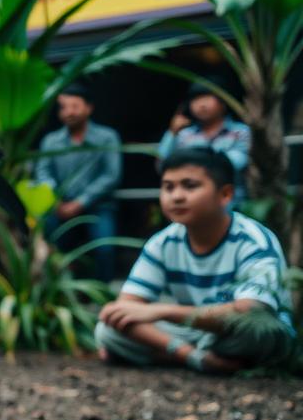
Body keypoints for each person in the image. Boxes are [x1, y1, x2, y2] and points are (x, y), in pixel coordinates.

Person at [95, 148, 294, 374]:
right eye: (168, 187)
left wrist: (162, 311)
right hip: (196, 333)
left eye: (190, 186)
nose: (176, 196)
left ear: (225, 194)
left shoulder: (253, 240)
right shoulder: (163, 242)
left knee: (259, 332)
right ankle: (202, 360)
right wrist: (190, 354)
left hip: (240, 332)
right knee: (109, 328)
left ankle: (166, 355)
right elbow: (125, 307)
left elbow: (250, 313)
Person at [35, 84, 123, 282]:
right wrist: (55, 199)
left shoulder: (107, 137)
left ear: (88, 108)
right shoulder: (51, 141)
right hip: (59, 206)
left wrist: (81, 202)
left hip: (98, 206)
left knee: (104, 249)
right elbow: (43, 172)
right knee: (51, 248)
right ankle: (60, 295)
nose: (68, 112)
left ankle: (103, 294)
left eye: (74, 106)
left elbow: (111, 175)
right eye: (63, 107)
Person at [157, 80, 251, 199]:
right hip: (191, 202)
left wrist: (190, 165)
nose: (201, 104)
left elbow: (234, 163)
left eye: (207, 98)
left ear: (223, 102)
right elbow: (162, 165)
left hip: (232, 201)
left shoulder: (241, 132)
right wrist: (172, 132)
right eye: (196, 100)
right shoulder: (184, 135)